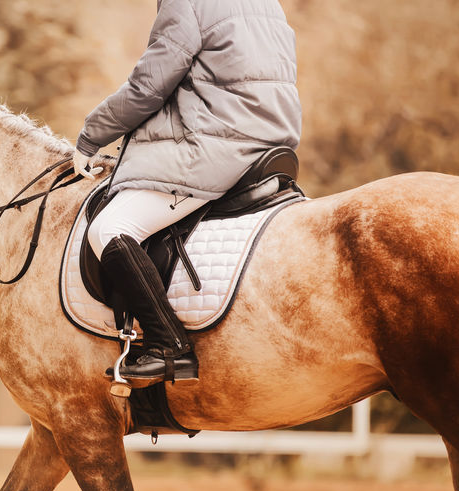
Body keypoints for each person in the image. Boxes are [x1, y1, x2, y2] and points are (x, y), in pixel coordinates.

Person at [74, 0, 301, 383]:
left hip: (219, 146)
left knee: (108, 229)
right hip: (271, 143)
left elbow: (147, 88)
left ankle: (168, 346)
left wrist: (90, 137)